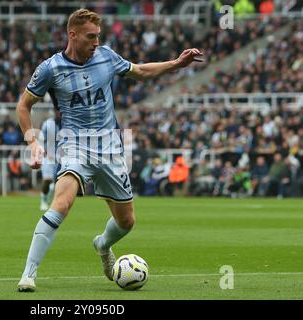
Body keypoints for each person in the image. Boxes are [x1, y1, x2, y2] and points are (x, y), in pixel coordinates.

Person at [16, 8, 203, 292]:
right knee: (62, 202)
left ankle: (102, 244)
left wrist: (176, 64)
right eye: (90, 37)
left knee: (126, 222)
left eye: (98, 37)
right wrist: (33, 142)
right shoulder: (50, 68)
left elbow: (140, 71)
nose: (95, 42)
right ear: (73, 35)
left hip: (111, 147)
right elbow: (23, 106)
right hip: (75, 145)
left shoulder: (106, 56)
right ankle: (28, 274)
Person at [39, 109, 61, 210]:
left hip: (62, 157)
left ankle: (50, 200)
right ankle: (43, 201)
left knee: (58, 183)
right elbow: (40, 140)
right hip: (48, 156)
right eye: (58, 111)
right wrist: (44, 151)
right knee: (47, 180)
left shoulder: (69, 124)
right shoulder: (48, 124)